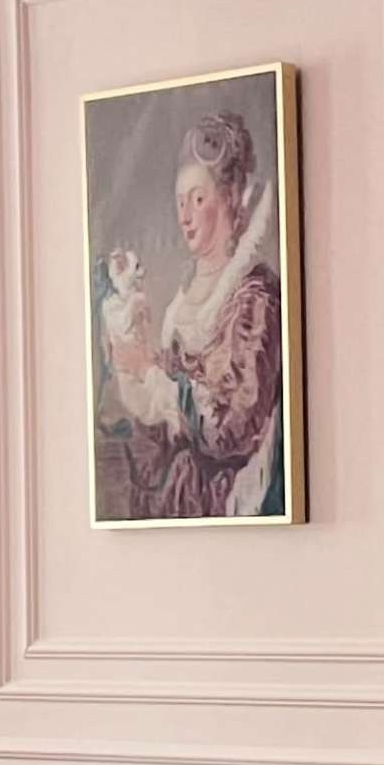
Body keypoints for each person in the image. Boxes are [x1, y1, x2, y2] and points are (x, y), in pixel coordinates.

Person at [97, 108, 286, 521]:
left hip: (239, 500)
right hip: (183, 504)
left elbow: (228, 428)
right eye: (180, 202)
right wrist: (132, 378)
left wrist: (149, 371)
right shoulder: (179, 306)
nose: (184, 216)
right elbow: (166, 431)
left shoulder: (254, 299)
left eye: (198, 200)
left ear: (230, 199)